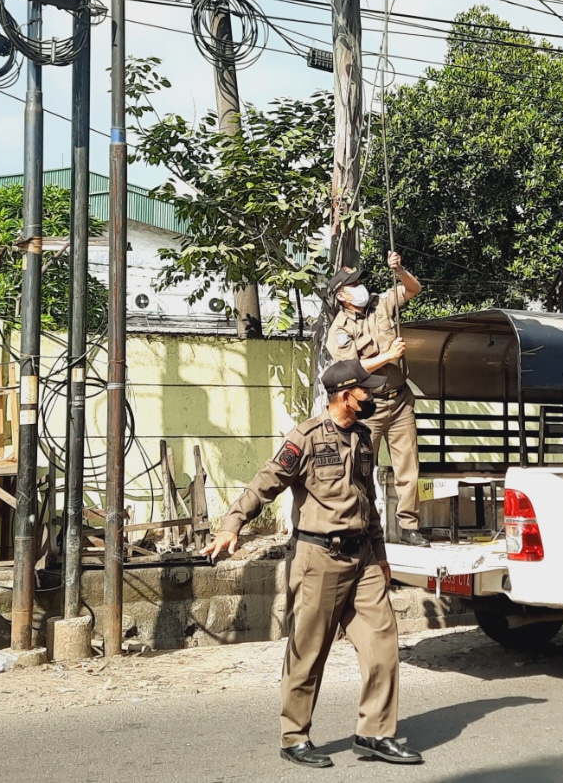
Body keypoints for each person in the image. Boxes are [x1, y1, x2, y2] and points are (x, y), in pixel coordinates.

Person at [208, 359, 423, 770]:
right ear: (346, 395)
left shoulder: (362, 437)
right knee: (308, 652)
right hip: (317, 559)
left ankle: (375, 733)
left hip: (363, 559)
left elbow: (368, 502)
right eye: (367, 391)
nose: (374, 396)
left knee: (383, 646)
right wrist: (232, 523)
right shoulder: (304, 438)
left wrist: (380, 556)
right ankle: (294, 736)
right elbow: (265, 482)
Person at [324, 250, 425, 546]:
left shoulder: (381, 304)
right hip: (370, 406)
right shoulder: (340, 331)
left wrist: (399, 270)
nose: (361, 287)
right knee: (361, 468)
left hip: (401, 399)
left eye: (360, 281)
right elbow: (352, 369)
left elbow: (412, 289)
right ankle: (360, 528)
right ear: (342, 296)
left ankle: (409, 527)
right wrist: (388, 356)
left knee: (409, 466)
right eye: (353, 284)